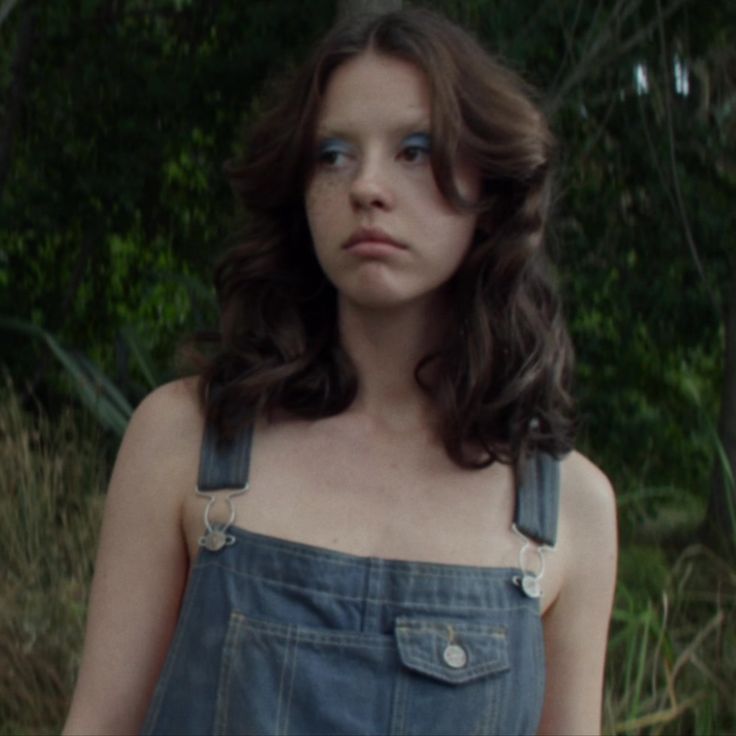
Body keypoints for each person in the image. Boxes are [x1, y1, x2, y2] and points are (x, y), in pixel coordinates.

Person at [64, 7, 617, 736]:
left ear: (488, 188)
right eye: (332, 154)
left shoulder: (564, 507)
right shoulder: (187, 440)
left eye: (415, 149)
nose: (367, 187)